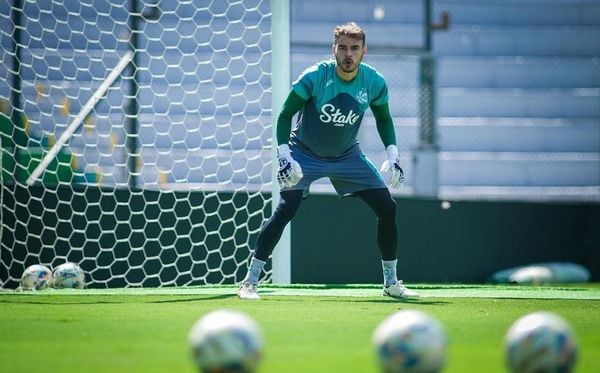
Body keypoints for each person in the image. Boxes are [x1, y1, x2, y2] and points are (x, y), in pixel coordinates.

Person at [238, 22, 419, 300]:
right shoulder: (314, 78)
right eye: (343, 48)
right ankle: (249, 282)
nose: (349, 54)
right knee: (287, 209)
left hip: (348, 156)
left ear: (363, 51)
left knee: (387, 207)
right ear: (333, 49)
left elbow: (384, 118)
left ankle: (391, 283)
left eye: (355, 49)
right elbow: (285, 116)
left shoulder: (374, 82)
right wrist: (284, 155)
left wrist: (393, 154)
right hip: (304, 153)